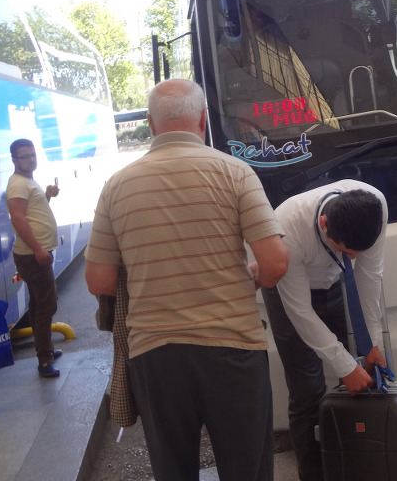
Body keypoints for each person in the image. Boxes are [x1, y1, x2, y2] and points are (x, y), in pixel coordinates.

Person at [84, 79, 289, 481]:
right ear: (203, 119)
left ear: (150, 123)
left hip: (156, 356)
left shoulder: (117, 186)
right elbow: (275, 262)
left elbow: (99, 281)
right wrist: (249, 276)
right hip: (233, 349)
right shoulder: (236, 172)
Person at [259, 180, 388, 481]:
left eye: (358, 252)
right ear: (324, 223)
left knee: (360, 377)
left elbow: (369, 276)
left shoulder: (375, 205)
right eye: (346, 250)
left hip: (334, 283)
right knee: (307, 388)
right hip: (288, 293)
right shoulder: (287, 228)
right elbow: (300, 312)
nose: (353, 257)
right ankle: (314, 475)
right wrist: (345, 365)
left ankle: (354, 468)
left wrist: (371, 342)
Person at [6, 138, 62, 379]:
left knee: (38, 304)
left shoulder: (27, 180)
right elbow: (18, 219)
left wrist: (47, 196)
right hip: (32, 255)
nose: (30, 159)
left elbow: (32, 213)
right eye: (25, 156)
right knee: (48, 304)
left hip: (35, 253)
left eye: (32, 155)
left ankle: (45, 348)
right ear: (14, 160)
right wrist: (38, 249)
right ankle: (44, 359)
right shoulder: (18, 184)